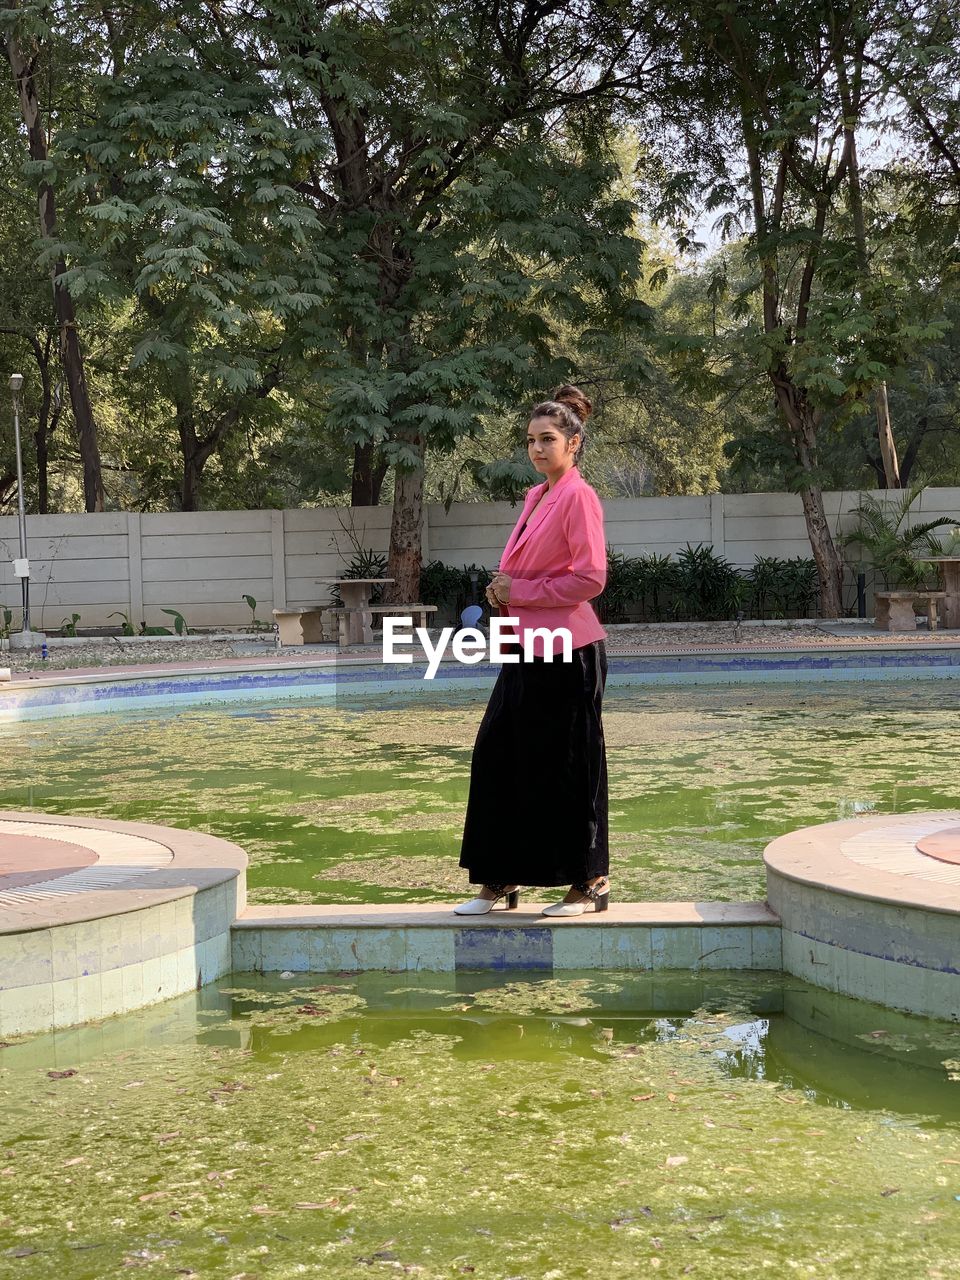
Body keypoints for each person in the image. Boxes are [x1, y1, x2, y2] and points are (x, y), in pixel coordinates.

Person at [455, 384, 610, 917]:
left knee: (571, 765)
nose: (538, 448)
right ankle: (501, 879)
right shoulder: (536, 495)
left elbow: (590, 579)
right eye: (530, 440)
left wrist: (517, 590)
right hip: (527, 645)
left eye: (548, 439)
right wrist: (504, 591)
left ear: (574, 443)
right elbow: (524, 569)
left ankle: (588, 883)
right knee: (500, 754)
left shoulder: (578, 496)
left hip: (570, 648)